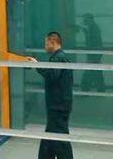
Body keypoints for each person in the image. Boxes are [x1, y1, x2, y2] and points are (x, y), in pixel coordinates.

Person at [27, 31, 74, 159]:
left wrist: (37, 65)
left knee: (60, 140)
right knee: (50, 138)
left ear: (53, 43)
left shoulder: (58, 58)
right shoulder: (61, 57)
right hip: (59, 104)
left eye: (46, 44)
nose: (45, 46)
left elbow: (51, 75)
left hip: (58, 106)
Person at [80, 14, 105, 93]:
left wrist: (91, 53)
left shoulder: (94, 29)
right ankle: (100, 89)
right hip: (95, 53)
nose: (84, 21)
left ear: (90, 19)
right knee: (96, 71)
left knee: (90, 71)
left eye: (85, 19)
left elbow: (93, 41)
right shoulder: (93, 28)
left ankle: (85, 89)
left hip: (94, 53)